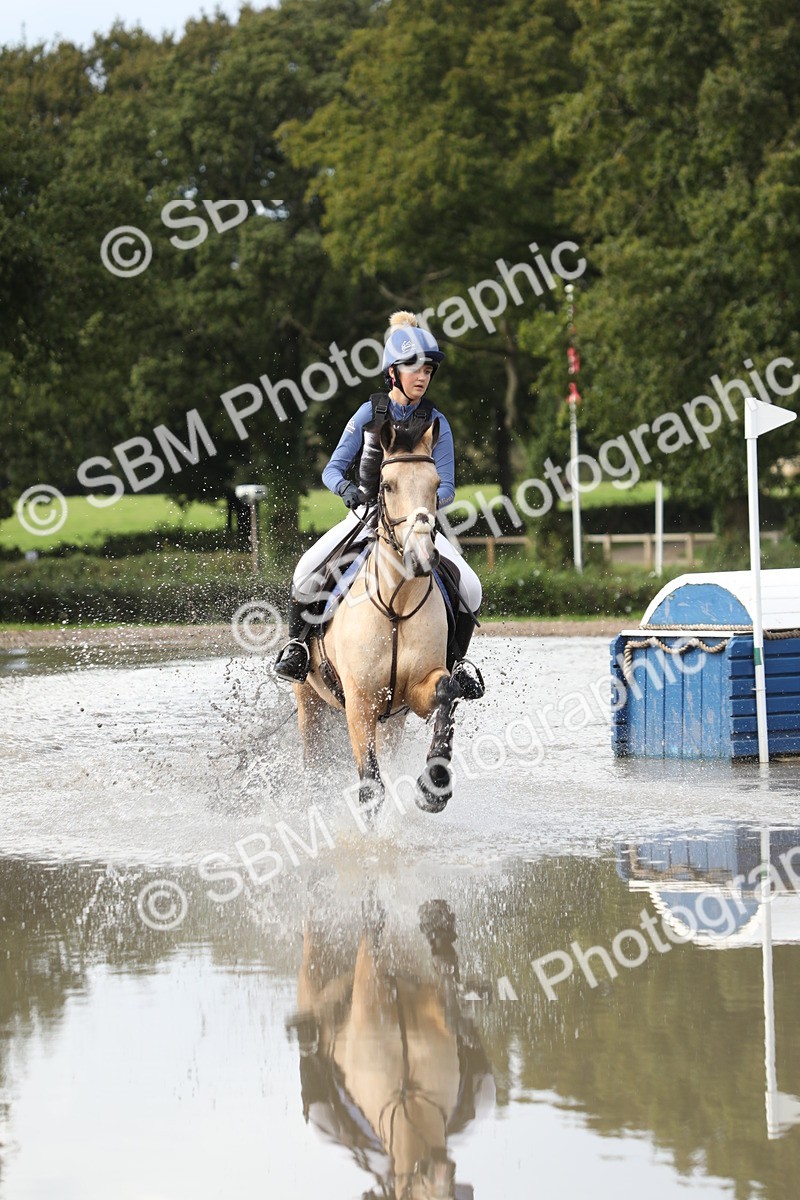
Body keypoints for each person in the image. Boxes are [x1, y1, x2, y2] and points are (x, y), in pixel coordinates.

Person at [273, 311, 484, 698]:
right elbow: (332, 469)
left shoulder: (437, 421)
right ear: (393, 372)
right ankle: (298, 648)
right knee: (306, 572)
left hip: (417, 522)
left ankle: (456, 664)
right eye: (414, 368)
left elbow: (449, 486)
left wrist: (421, 502)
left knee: (471, 587)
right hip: (367, 515)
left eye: (428, 370)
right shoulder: (370, 413)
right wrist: (347, 490)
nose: (422, 376)